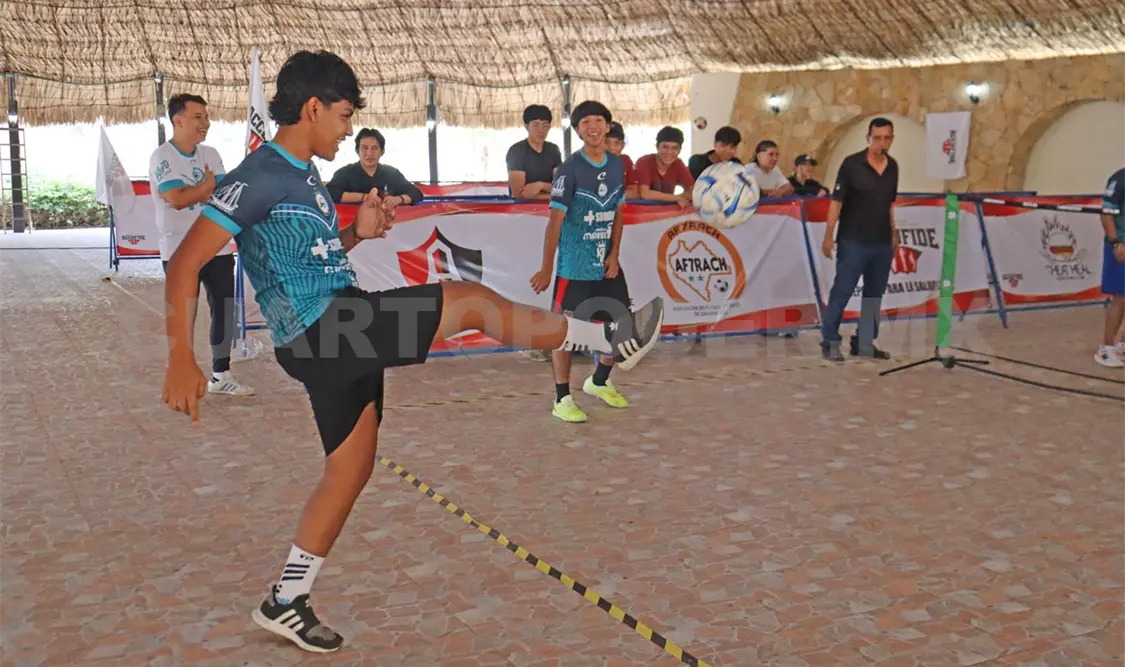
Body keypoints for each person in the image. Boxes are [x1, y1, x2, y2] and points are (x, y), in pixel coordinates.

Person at [160, 50, 665, 654]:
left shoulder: (302, 174)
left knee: (350, 471)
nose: (350, 131)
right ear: (313, 108)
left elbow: (304, 257)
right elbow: (186, 261)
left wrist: (357, 233)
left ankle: (286, 599)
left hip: (336, 325)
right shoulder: (260, 173)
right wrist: (180, 358)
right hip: (325, 331)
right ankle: (607, 338)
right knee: (468, 302)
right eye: (344, 117)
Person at [530, 101, 630, 423]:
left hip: (605, 266)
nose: (592, 126)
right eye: (585, 122)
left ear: (607, 125)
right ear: (577, 130)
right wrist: (547, 269)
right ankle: (562, 398)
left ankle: (598, 382)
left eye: (598, 120)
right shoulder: (569, 170)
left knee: (620, 329)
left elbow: (618, 213)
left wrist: (614, 254)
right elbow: (554, 224)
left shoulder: (617, 165)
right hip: (573, 268)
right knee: (564, 333)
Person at [148, 93, 253, 397]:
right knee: (184, 315)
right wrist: (204, 189)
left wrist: (203, 191)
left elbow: (222, 195)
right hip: (179, 250)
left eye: (206, 117)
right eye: (198, 117)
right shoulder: (162, 157)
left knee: (224, 309)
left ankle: (221, 374)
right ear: (177, 120)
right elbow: (176, 199)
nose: (205, 123)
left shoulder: (211, 154)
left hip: (216, 245)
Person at [819, 117, 900, 362]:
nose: (882, 143)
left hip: (882, 242)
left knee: (874, 294)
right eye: (877, 138)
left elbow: (890, 204)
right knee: (842, 290)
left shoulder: (893, 166)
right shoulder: (851, 165)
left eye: (887, 138)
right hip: (853, 240)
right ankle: (830, 341)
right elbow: (836, 203)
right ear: (868, 138)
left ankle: (864, 342)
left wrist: (894, 233)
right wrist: (828, 235)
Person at [325, 128, 423, 219]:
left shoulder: (392, 173)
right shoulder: (345, 173)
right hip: (353, 226)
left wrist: (399, 199)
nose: (369, 153)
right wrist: (365, 197)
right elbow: (329, 192)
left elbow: (416, 193)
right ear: (357, 150)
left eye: (375, 148)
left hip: (388, 227)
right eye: (364, 148)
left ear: (382, 151)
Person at [1095, 166, 1125, 367]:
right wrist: (1116, 242)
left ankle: (1122, 344)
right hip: (1122, 245)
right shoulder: (1119, 178)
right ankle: (1106, 349)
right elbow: (1106, 213)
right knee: (1120, 298)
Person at [506, 104, 563, 200]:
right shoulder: (516, 151)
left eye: (545, 125)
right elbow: (519, 195)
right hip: (521, 211)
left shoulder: (553, 150)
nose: (541, 130)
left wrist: (541, 185)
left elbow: (561, 188)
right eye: (536, 125)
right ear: (526, 126)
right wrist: (552, 195)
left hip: (551, 209)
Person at [635, 126, 694, 207]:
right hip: (640, 212)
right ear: (657, 147)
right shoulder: (644, 161)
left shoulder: (678, 164)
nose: (669, 152)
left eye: (674, 148)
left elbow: (693, 192)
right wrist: (677, 198)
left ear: (680, 150)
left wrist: (677, 198)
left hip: (664, 214)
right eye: (665, 147)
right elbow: (645, 194)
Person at [605, 121, 639, 200]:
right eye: (606, 142)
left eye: (616, 143)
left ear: (623, 145)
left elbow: (635, 193)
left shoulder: (626, 161)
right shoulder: (589, 163)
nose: (611, 148)